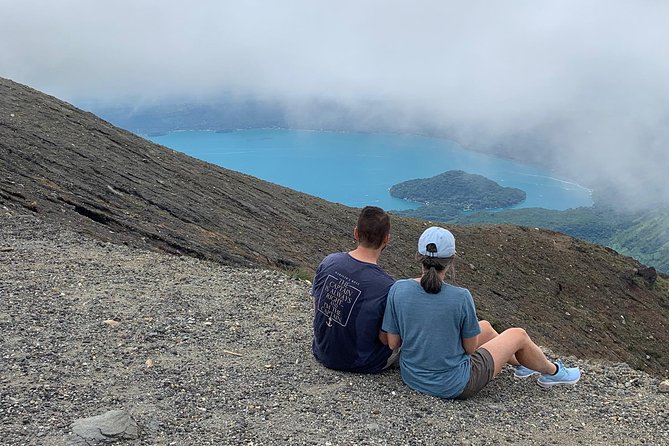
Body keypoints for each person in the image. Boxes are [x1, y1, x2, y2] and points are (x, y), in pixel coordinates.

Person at [382, 226, 581, 399]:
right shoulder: (460, 297)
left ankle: (523, 365)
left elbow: (393, 343)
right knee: (517, 334)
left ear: (419, 257)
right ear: (452, 259)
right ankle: (552, 373)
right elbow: (469, 349)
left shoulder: (399, 289)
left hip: (413, 376)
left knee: (484, 326)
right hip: (455, 384)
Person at [311, 206, 398, 373]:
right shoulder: (387, 286)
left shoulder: (329, 262)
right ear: (386, 239)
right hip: (361, 363)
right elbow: (385, 338)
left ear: (356, 233)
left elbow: (317, 306)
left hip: (322, 351)